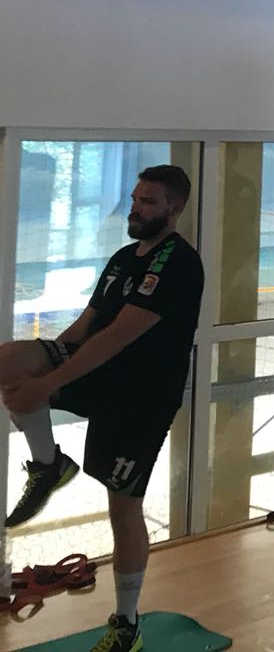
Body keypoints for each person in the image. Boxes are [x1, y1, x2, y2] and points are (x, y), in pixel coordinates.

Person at [2, 165, 205, 652]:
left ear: (174, 207)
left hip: (140, 397)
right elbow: (87, 326)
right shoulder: (122, 259)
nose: (135, 209)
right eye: (134, 199)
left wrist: (48, 384)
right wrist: (45, 362)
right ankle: (49, 465)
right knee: (10, 361)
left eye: (148, 202)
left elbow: (118, 337)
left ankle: (126, 623)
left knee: (123, 505)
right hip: (100, 372)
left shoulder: (178, 263)